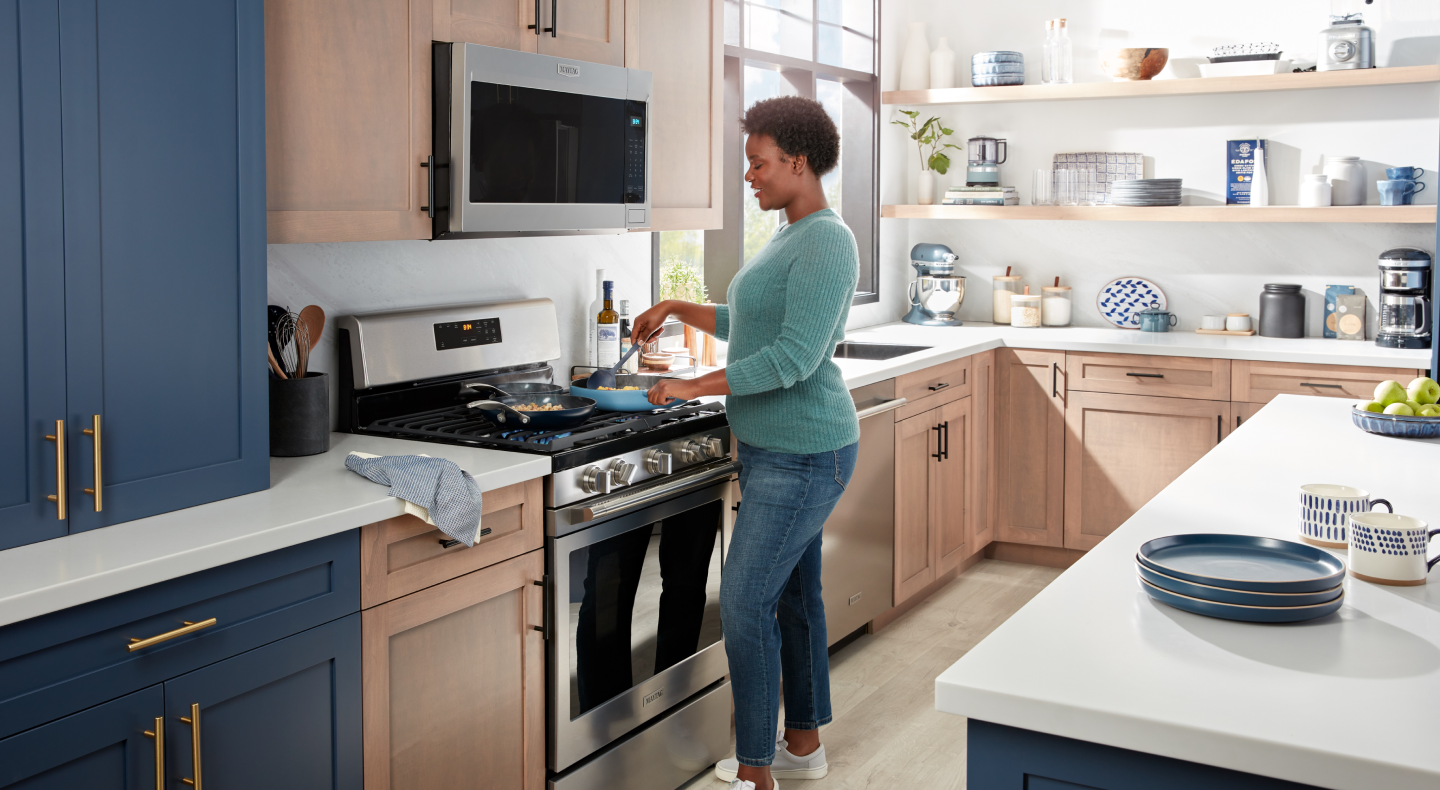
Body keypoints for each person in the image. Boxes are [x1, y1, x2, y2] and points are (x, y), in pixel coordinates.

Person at [630, 95, 859, 790]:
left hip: (805, 453)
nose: (750, 176)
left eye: (759, 164)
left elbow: (792, 359)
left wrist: (694, 386)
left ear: (797, 162)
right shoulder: (791, 234)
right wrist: (675, 306)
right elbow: (749, 321)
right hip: (774, 451)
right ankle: (803, 745)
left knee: (746, 602)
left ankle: (755, 770)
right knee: (793, 598)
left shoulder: (826, 239)